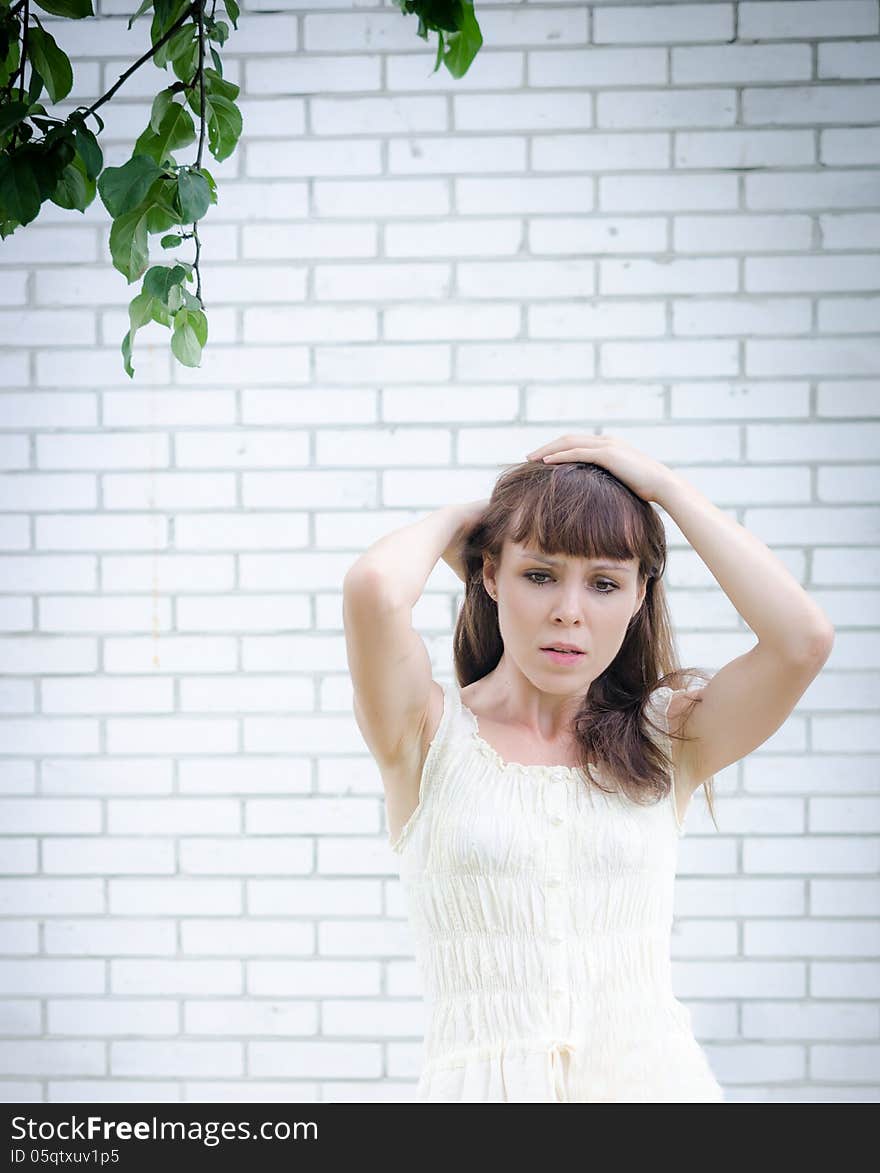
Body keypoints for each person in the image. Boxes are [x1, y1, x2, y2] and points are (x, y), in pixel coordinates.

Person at [342, 432, 835, 1103]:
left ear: (638, 597)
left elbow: (803, 639)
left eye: (604, 582)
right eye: (538, 574)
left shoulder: (668, 736)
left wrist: (663, 486)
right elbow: (373, 587)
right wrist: (469, 521)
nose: (568, 610)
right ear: (489, 575)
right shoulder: (427, 735)